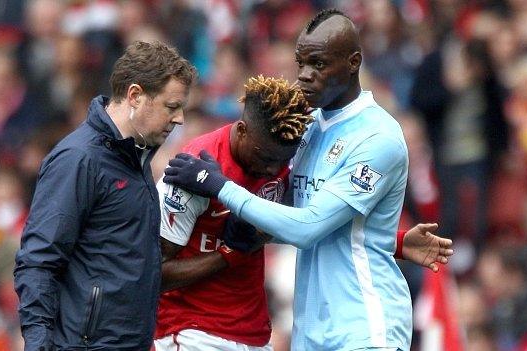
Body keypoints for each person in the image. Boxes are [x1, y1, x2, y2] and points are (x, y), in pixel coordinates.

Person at [163, 9, 423, 351]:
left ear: (353, 62)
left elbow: (306, 227)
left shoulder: (378, 138)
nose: (305, 76)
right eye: (300, 63)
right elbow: (288, 213)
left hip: (366, 328)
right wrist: (396, 240)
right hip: (311, 333)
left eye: (318, 64)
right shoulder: (305, 127)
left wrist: (220, 186)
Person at [13, 40, 196, 350]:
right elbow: (38, 261)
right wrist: (38, 343)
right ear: (135, 95)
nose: (180, 119)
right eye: (171, 106)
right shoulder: (79, 159)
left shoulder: (136, 157)